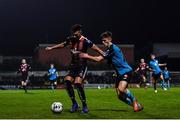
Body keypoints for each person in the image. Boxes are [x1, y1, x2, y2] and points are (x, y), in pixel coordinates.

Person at [45, 24, 103, 113]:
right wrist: (51, 48)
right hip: (73, 66)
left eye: (76, 34)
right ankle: (75, 104)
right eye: (73, 33)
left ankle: (84, 105)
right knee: (67, 82)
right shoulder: (71, 39)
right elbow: (63, 44)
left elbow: (95, 47)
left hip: (82, 66)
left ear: (80, 32)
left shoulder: (85, 41)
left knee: (77, 83)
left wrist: (102, 52)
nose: (74, 35)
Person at [80, 31, 143, 112]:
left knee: (121, 89)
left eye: (105, 40)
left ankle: (134, 100)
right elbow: (100, 57)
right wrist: (87, 53)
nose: (103, 42)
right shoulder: (109, 49)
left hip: (126, 71)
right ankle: (137, 106)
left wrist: (86, 56)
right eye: (102, 41)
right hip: (119, 74)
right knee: (120, 96)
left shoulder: (113, 48)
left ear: (110, 39)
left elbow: (98, 59)